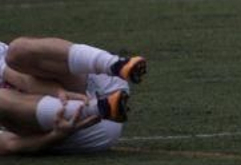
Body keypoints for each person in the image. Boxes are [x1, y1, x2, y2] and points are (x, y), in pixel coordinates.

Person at [0, 37, 143, 155]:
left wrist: (57, 91)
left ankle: (116, 64)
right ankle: (99, 108)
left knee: (18, 50)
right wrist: (55, 136)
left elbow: (18, 76)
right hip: (79, 127)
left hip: (96, 81)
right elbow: (9, 144)